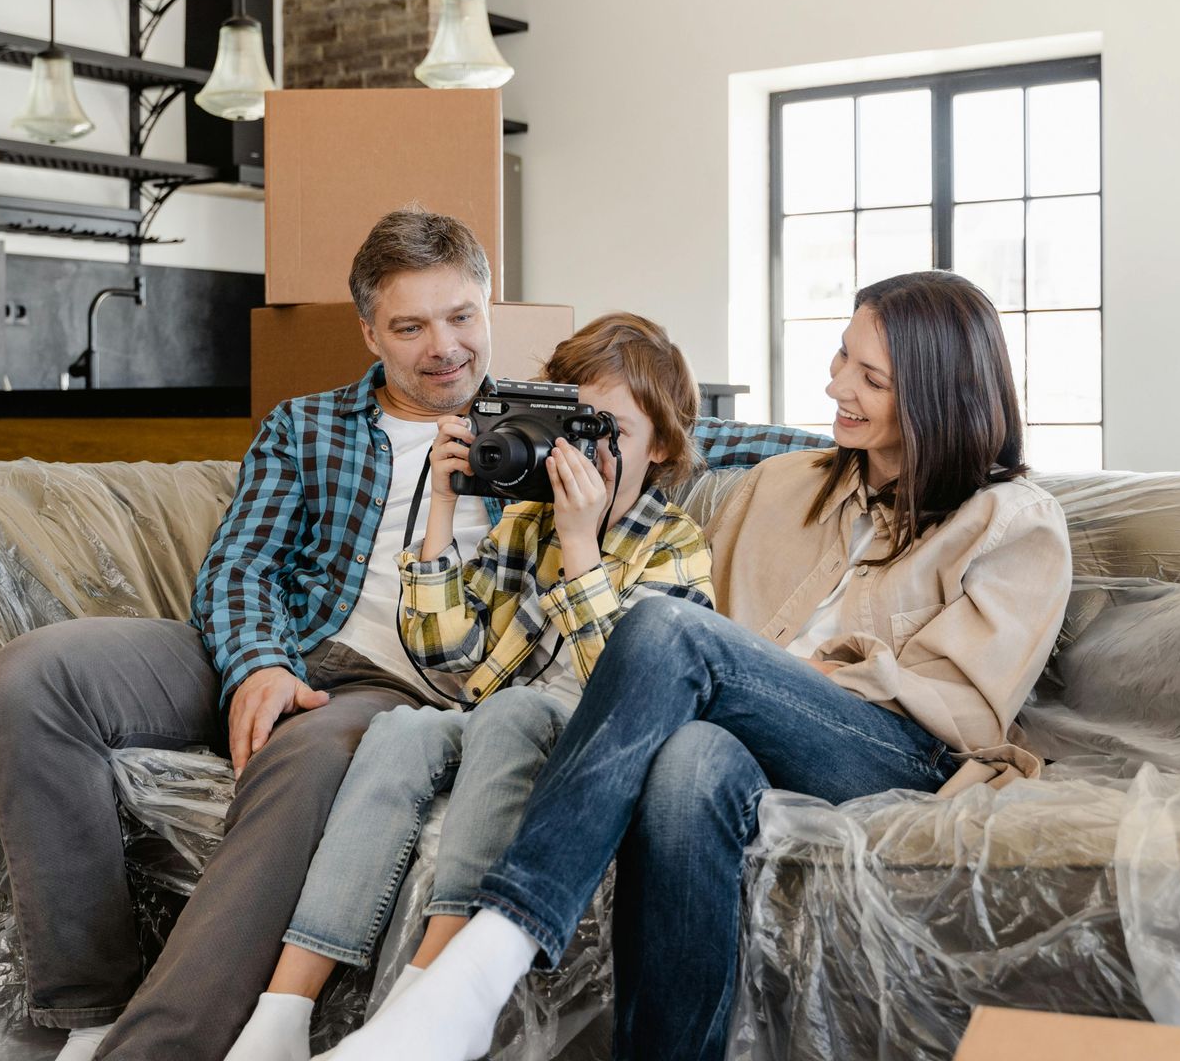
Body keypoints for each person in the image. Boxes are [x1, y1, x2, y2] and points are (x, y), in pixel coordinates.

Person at [0, 209, 829, 1061]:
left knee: (304, 755)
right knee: (35, 676)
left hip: (400, 684)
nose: (445, 348)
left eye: (462, 317)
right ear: (369, 332)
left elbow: (681, 432)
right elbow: (239, 568)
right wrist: (258, 664)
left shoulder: (545, 425)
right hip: (293, 642)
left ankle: (162, 1046)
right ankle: (87, 1007)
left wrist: (891, 436)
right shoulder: (306, 428)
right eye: (411, 326)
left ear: (489, 309)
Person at [324, 269, 1073, 1061]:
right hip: (739, 728)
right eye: (840, 358)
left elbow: (967, 706)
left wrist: (818, 674)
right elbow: (655, 439)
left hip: (894, 749)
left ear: (936, 395)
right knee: (686, 762)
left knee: (666, 626)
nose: (835, 385)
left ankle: (493, 951)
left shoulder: (1013, 521)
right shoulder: (786, 483)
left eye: (870, 377)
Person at [225, 314, 716, 1061]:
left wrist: (583, 544)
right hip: (486, 716)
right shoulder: (524, 523)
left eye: (610, 431)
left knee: (515, 710)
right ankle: (284, 1009)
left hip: (593, 747)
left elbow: (634, 686)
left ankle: (428, 989)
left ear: (664, 448)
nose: (584, 457)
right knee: (404, 729)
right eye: (572, 430)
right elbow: (445, 654)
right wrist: (444, 508)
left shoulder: (674, 544)